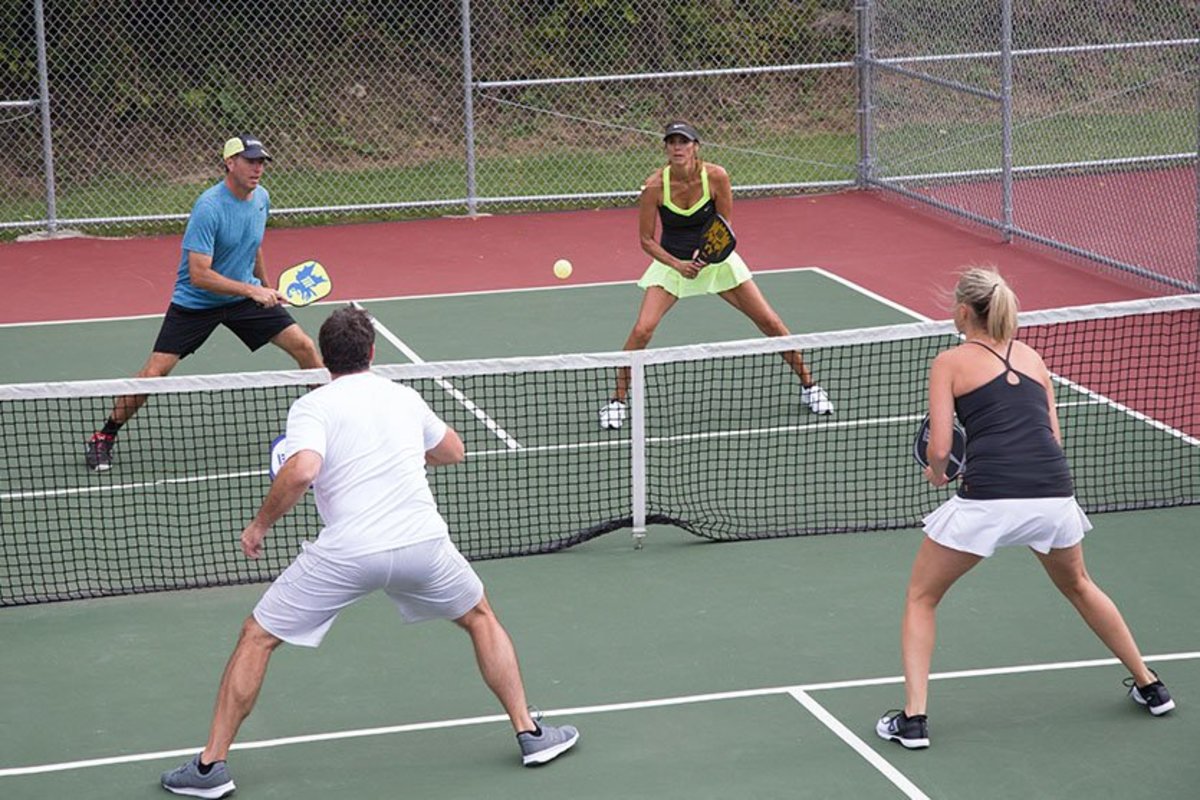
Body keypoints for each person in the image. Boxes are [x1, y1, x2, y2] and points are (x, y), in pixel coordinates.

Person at [159, 306, 579, 798]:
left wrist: (259, 525)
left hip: (349, 552)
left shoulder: (313, 406)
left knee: (258, 637)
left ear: (326, 360)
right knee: (480, 617)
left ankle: (210, 768)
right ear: (372, 353)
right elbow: (454, 451)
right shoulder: (403, 397)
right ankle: (529, 734)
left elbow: (300, 471)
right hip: (423, 543)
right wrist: (398, 451)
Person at [875, 267, 1173, 750]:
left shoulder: (949, 361)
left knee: (921, 598)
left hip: (991, 498)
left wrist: (937, 473)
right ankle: (1151, 686)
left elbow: (942, 447)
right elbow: (1051, 436)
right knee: (1079, 584)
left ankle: (913, 720)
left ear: (963, 312)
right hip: (1053, 494)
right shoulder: (1033, 358)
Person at [84, 134, 322, 471]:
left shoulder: (261, 199)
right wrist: (251, 291)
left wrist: (267, 287)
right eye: (250, 161)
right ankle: (104, 436)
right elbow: (199, 274)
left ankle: (326, 423)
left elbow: (253, 244)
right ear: (230, 163)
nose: (258, 168)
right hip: (197, 302)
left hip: (243, 295)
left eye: (261, 162)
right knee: (155, 372)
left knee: (305, 346)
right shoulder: (209, 207)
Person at [598, 120, 832, 429]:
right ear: (666, 148)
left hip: (717, 262)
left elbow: (724, 226)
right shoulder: (655, 185)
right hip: (672, 266)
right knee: (642, 330)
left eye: (684, 142)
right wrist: (678, 265)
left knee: (770, 322)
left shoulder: (716, 177)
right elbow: (646, 240)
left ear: (696, 147)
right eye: (672, 142)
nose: (678, 147)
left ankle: (809, 386)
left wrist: (706, 258)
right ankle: (617, 401)